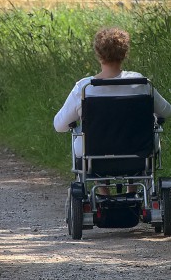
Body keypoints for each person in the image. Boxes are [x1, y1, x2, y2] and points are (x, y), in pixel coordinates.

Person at [54, 27, 171, 194]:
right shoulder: (142, 84)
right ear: (124, 53)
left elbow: (60, 125)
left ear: (98, 54)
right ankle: (133, 188)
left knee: (86, 139)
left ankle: (103, 192)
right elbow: (166, 111)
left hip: (94, 157)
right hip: (139, 155)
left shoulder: (85, 88)